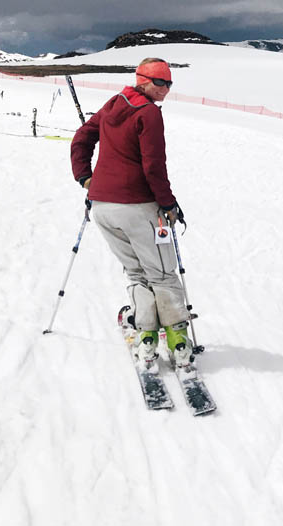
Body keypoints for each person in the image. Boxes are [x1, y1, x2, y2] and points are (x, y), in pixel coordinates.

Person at [70, 58, 193, 368]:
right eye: (160, 82)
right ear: (143, 80)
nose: (165, 89)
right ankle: (178, 340)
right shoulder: (148, 114)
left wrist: (86, 178)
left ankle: (147, 336)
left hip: (103, 208)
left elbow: (81, 138)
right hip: (136, 206)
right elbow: (153, 166)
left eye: (169, 83)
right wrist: (167, 204)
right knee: (162, 273)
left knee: (137, 273)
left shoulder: (114, 104)